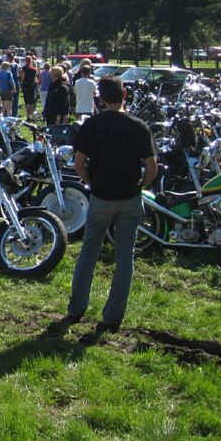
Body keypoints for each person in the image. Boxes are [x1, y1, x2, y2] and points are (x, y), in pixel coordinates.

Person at [64, 76, 158, 331]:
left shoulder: (93, 124)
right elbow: (152, 168)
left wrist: (91, 183)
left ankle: (76, 308)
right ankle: (113, 316)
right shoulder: (139, 126)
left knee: (89, 251)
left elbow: (78, 163)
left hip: (102, 196)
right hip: (130, 197)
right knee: (125, 255)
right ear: (124, 94)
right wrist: (141, 186)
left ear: (100, 99)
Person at [21, 55, 39, 120]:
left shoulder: (24, 68)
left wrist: (21, 83)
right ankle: (32, 115)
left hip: (25, 86)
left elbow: (23, 77)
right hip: (31, 86)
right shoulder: (34, 69)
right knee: (31, 101)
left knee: (26, 101)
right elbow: (35, 79)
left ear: (26, 61)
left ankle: (28, 115)